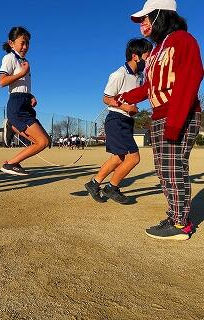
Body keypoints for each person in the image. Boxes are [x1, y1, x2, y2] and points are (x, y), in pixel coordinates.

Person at [113, 0, 203, 240]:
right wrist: (125, 95)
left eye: (145, 17)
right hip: (159, 116)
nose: (142, 23)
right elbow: (150, 87)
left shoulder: (183, 40)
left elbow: (190, 77)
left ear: (161, 15)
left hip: (179, 114)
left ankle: (180, 224)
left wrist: (175, 122)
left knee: (173, 169)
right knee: (164, 170)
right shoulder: (154, 51)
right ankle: (176, 215)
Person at [85, 38, 152, 204]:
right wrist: (126, 107)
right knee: (134, 158)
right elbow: (106, 98)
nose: (150, 57)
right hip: (116, 119)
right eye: (147, 54)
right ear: (136, 56)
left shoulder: (140, 76)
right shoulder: (119, 74)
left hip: (126, 121)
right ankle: (111, 188)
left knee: (118, 158)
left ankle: (93, 184)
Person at [0, 26, 50, 176]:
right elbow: (2, 82)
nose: (25, 46)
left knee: (45, 140)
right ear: (11, 43)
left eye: (27, 43)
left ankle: (11, 162)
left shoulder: (25, 61)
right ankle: (10, 164)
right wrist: (22, 72)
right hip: (16, 104)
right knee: (43, 142)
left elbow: (21, 85)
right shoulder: (9, 58)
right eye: (22, 42)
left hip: (24, 102)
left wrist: (30, 96)